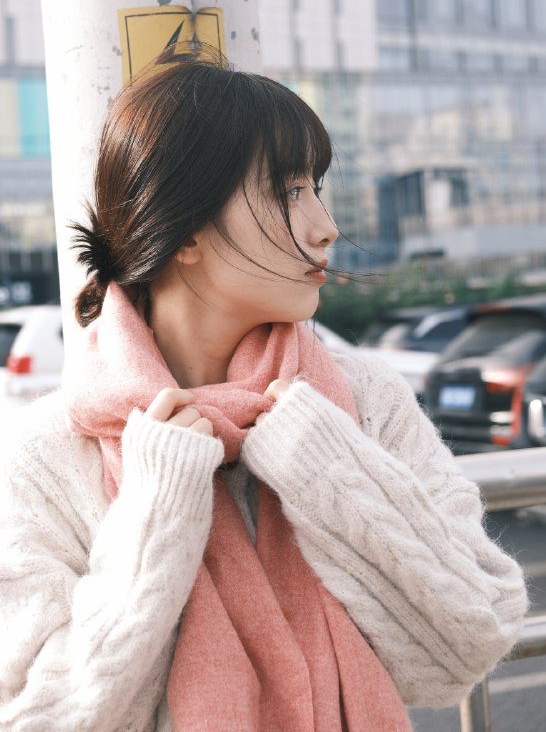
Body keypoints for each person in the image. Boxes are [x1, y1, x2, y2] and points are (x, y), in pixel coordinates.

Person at [0, 48, 528, 732]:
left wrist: (329, 470)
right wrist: (157, 512)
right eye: (287, 192)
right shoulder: (47, 456)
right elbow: (39, 718)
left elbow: (471, 641)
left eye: (315, 188)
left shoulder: (360, 401)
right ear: (185, 230)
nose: (325, 227)